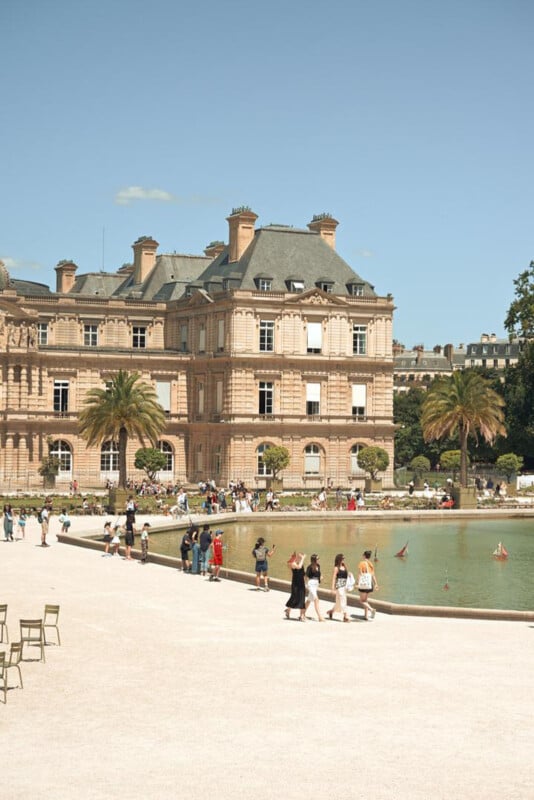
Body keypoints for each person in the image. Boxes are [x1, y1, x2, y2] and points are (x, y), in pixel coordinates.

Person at [326, 553, 350, 622]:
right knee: (343, 600)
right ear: (339, 559)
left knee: (339, 602)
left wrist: (349, 574)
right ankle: (345, 616)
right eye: (342, 558)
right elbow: (334, 578)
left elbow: (346, 575)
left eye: (344, 558)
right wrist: (332, 588)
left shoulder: (344, 566)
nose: (343, 560)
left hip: (344, 586)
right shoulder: (336, 568)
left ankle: (331, 611)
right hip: (339, 586)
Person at [284, 552, 306, 621]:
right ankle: (288, 610)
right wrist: (303, 559)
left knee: (302, 599)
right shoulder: (292, 564)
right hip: (295, 584)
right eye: (299, 557)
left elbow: (303, 574)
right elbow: (298, 567)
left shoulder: (301, 564)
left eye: (301, 557)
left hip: (301, 584)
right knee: (294, 598)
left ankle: (302, 616)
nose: (300, 558)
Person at [358, 549, 379, 620]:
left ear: (364, 555)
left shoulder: (361, 563)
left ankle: (371, 610)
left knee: (361, 600)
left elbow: (360, 574)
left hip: (364, 583)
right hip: (370, 584)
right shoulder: (371, 564)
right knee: (365, 600)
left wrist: (357, 583)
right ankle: (366, 616)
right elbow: (373, 575)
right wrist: (376, 584)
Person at [305, 554, 324, 621]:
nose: (319, 560)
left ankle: (302, 613)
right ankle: (320, 617)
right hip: (311, 584)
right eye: (317, 558)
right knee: (316, 599)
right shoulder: (309, 567)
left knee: (309, 600)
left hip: (316, 584)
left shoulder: (318, 566)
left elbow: (319, 574)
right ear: (314, 560)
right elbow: (306, 576)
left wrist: (320, 578)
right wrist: (306, 585)